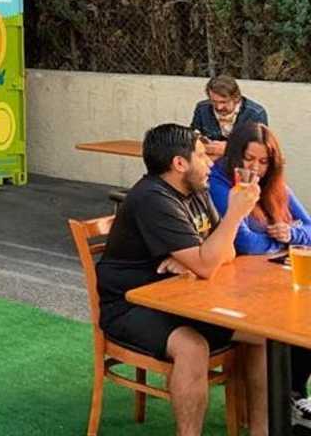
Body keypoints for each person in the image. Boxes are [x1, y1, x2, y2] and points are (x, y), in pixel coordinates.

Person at [96, 123, 268, 436]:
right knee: (192, 347)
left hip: (180, 299)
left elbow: (226, 251)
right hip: (130, 305)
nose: (210, 163)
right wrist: (233, 217)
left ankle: (261, 430)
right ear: (179, 163)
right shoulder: (153, 198)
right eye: (202, 156)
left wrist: (198, 259)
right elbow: (208, 263)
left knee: (259, 334)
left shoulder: (197, 191)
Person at [208, 122, 311, 427]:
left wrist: (292, 234)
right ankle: (286, 399)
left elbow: (309, 227)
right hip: (233, 287)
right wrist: (280, 241)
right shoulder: (220, 183)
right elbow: (245, 243)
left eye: (264, 161)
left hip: (271, 277)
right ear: (235, 155)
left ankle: (292, 394)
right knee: (292, 318)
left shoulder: (274, 185)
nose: (255, 168)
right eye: (249, 159)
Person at [190, 74, 268, 158]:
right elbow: (193, 136)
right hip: (208, 159)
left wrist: (229, 149)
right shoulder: (202, 109)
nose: (219, 107)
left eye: (223, 102)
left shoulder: (256, 113)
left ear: (236, 98)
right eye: (213, 101)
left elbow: (260, 149)